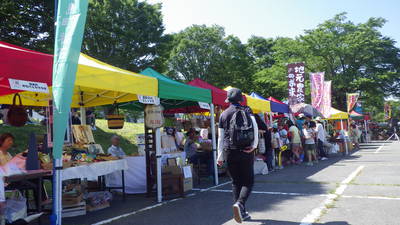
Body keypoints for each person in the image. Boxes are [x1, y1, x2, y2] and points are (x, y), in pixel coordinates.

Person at [217, 88, 258, 223]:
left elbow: (220, 138)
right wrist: (254, 146)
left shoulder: (223, 115)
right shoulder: (247, 111)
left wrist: (220, 156)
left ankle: (241, 212)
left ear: (228, 100)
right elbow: (256, 129)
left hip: (230, 152)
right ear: (241, 99)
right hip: (246, 150)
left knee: (236, 182)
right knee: (248, 181)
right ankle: (240, 204)